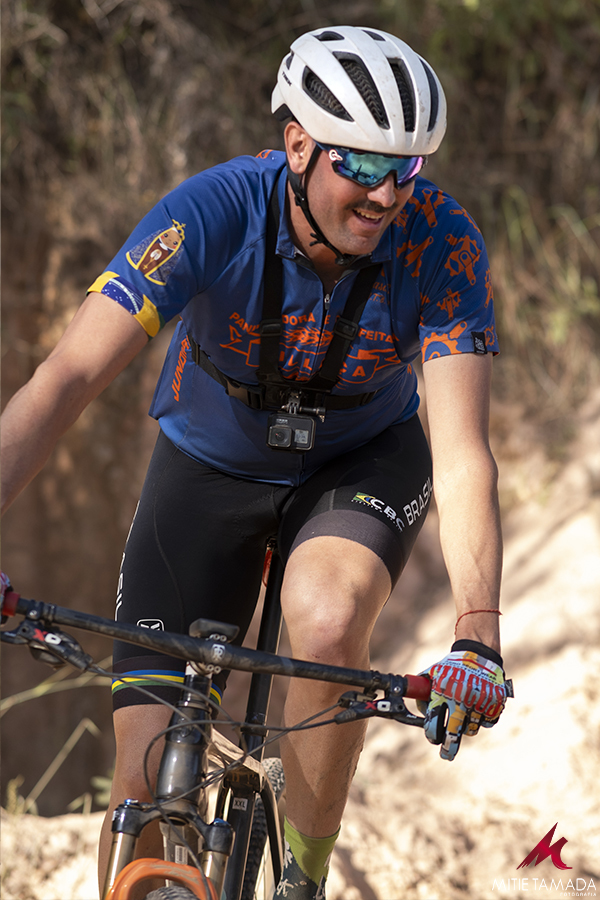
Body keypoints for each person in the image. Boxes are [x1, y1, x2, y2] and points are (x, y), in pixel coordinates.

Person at [1, 25, 510, 900]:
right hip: (209, 461)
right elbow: (66, 380)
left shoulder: (441, 241)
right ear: (298, 143)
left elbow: (463, 452)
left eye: (407, 168)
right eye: (362, 163)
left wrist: (479, 634)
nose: (386, 194)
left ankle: (302, 881)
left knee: (326, 619)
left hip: (360, 463)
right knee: (140, 772)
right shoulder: (212, 212)